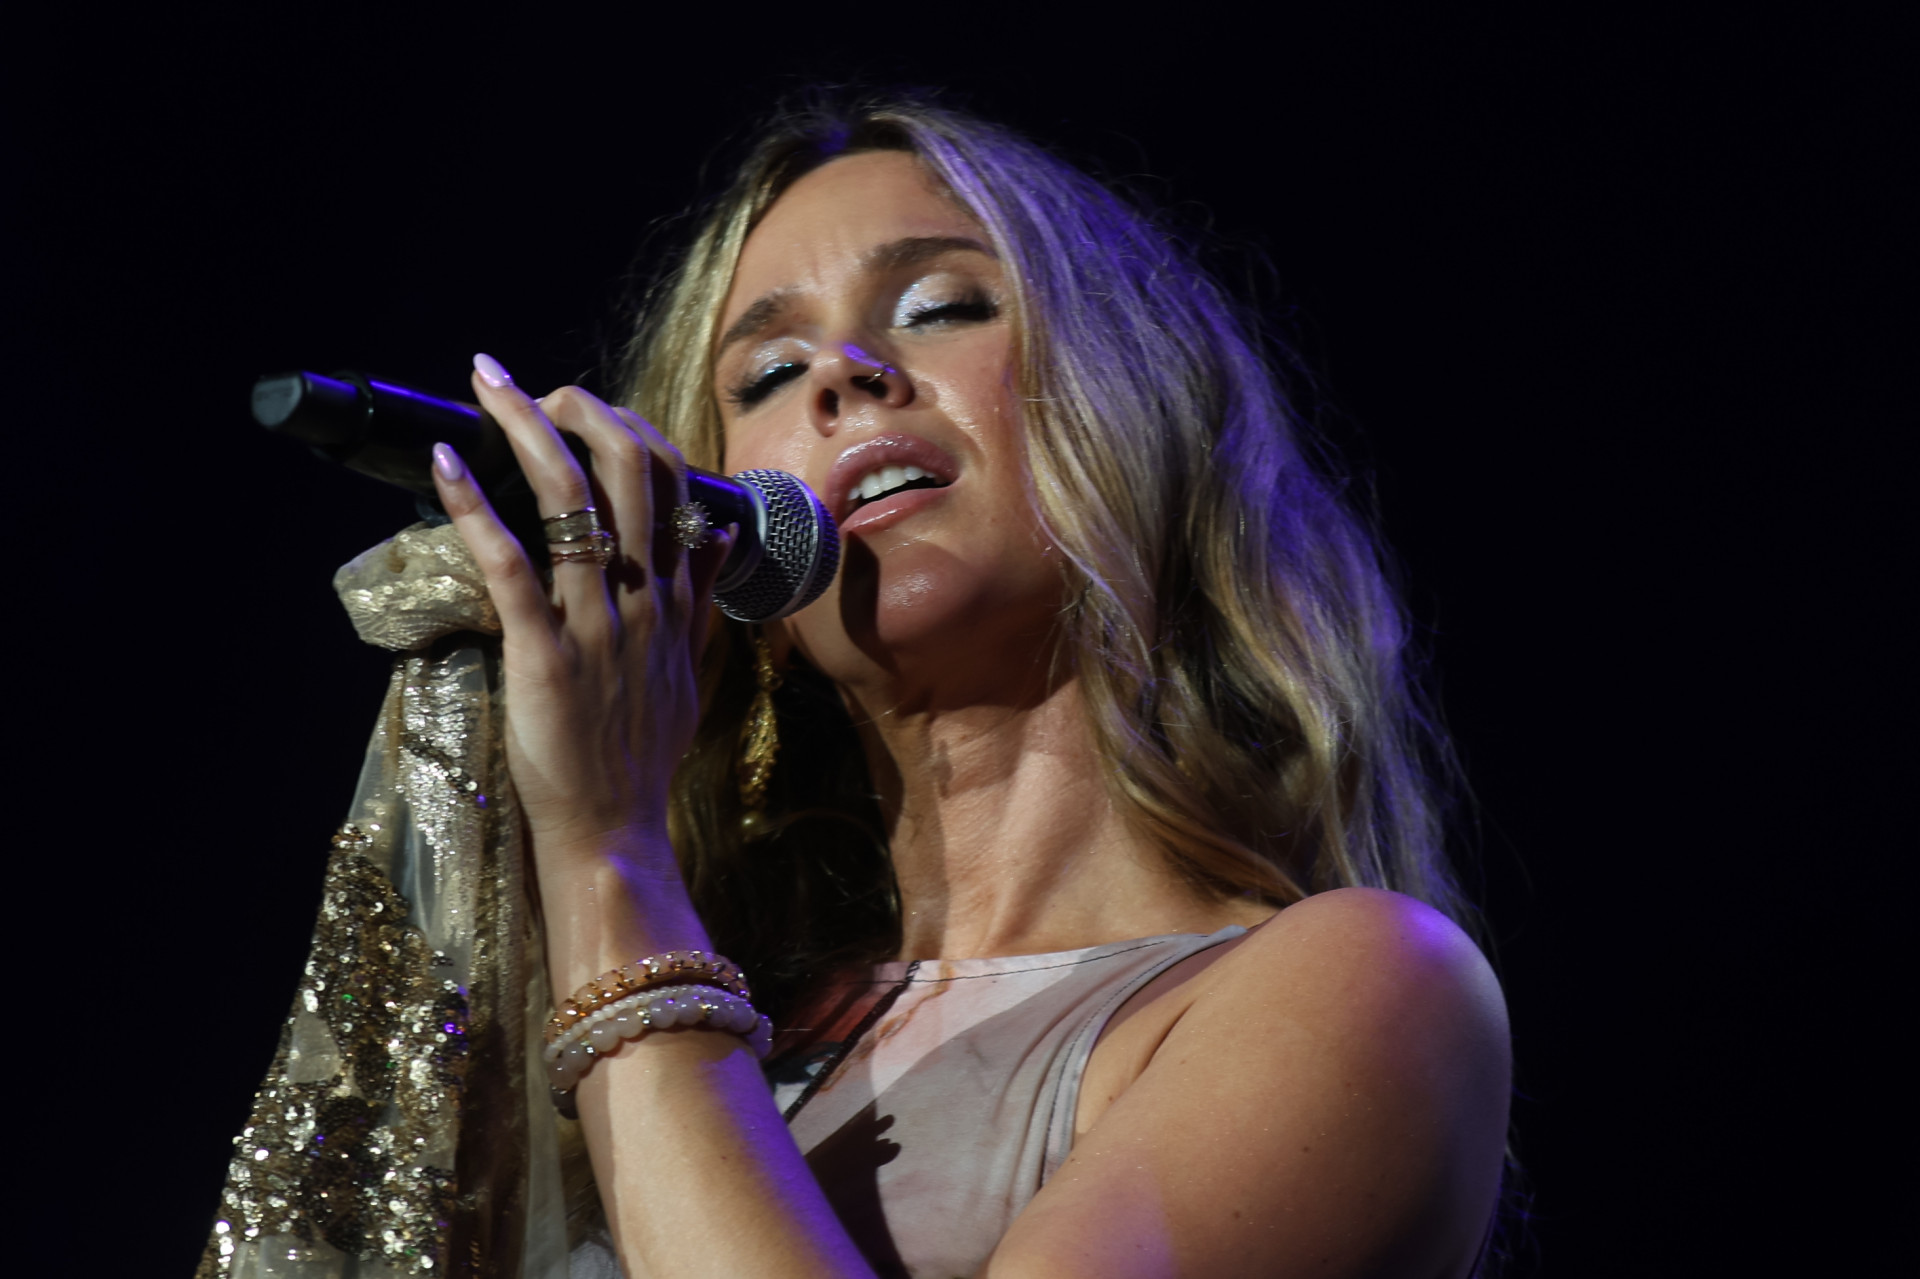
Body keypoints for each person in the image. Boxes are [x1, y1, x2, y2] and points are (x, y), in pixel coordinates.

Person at [423, 97, 1511, 1278]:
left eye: (941, 306)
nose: (842, 374)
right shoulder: (730, 1006)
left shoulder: (1357, 989)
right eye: (769, 372)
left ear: (1139, 411)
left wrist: (604, 854)